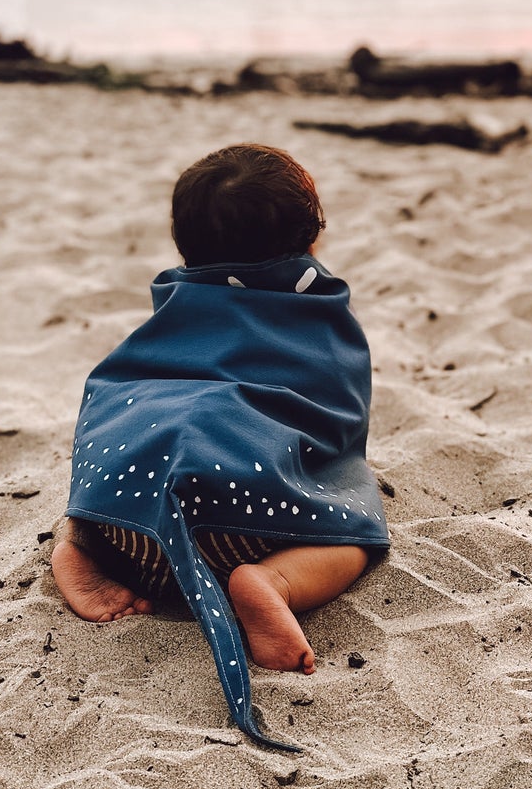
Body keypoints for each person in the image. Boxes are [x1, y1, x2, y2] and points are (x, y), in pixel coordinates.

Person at [47, 142, 388, 749]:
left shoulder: (173, 309)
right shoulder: (321, 313)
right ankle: (273, 583)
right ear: (311, 238)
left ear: (185, 247)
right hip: (241, 531)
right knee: (353, 530)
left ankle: (83, 541)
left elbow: (110, 390)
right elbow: (338, 432)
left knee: (131, 450)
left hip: (136, 531)